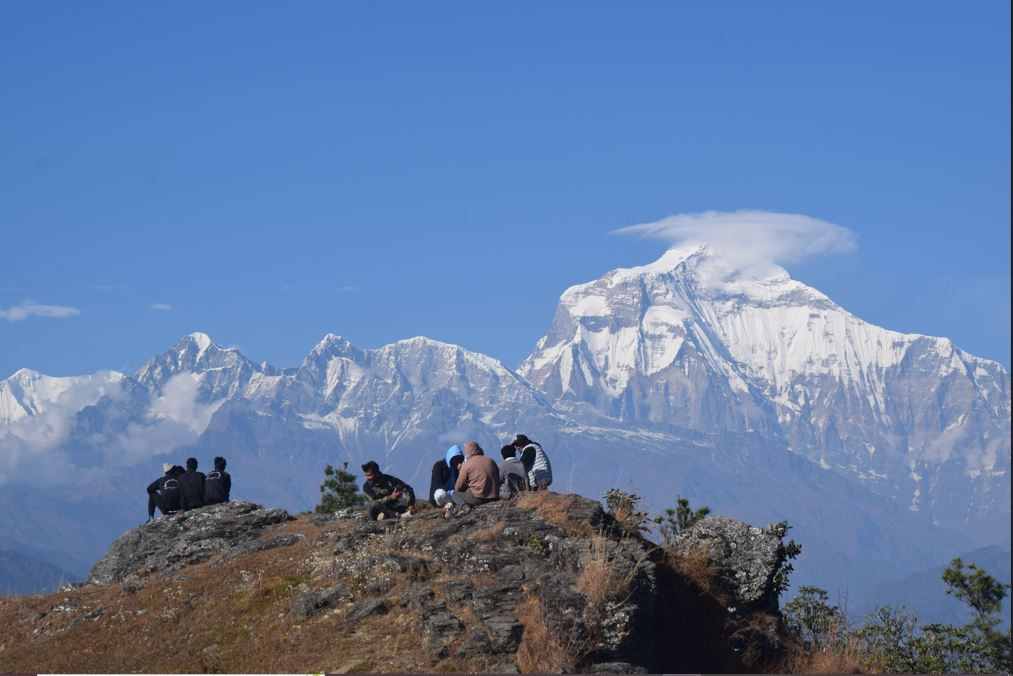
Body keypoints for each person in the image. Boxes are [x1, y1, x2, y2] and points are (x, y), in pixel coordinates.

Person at [446, 441, 499, 518]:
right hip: (495, 496)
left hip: (479, 497)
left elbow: (458, 487)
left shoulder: (467, 465)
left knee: (455, 493)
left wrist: (461, 472)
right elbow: (498, 478)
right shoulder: (491, 461)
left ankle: (464, 507)